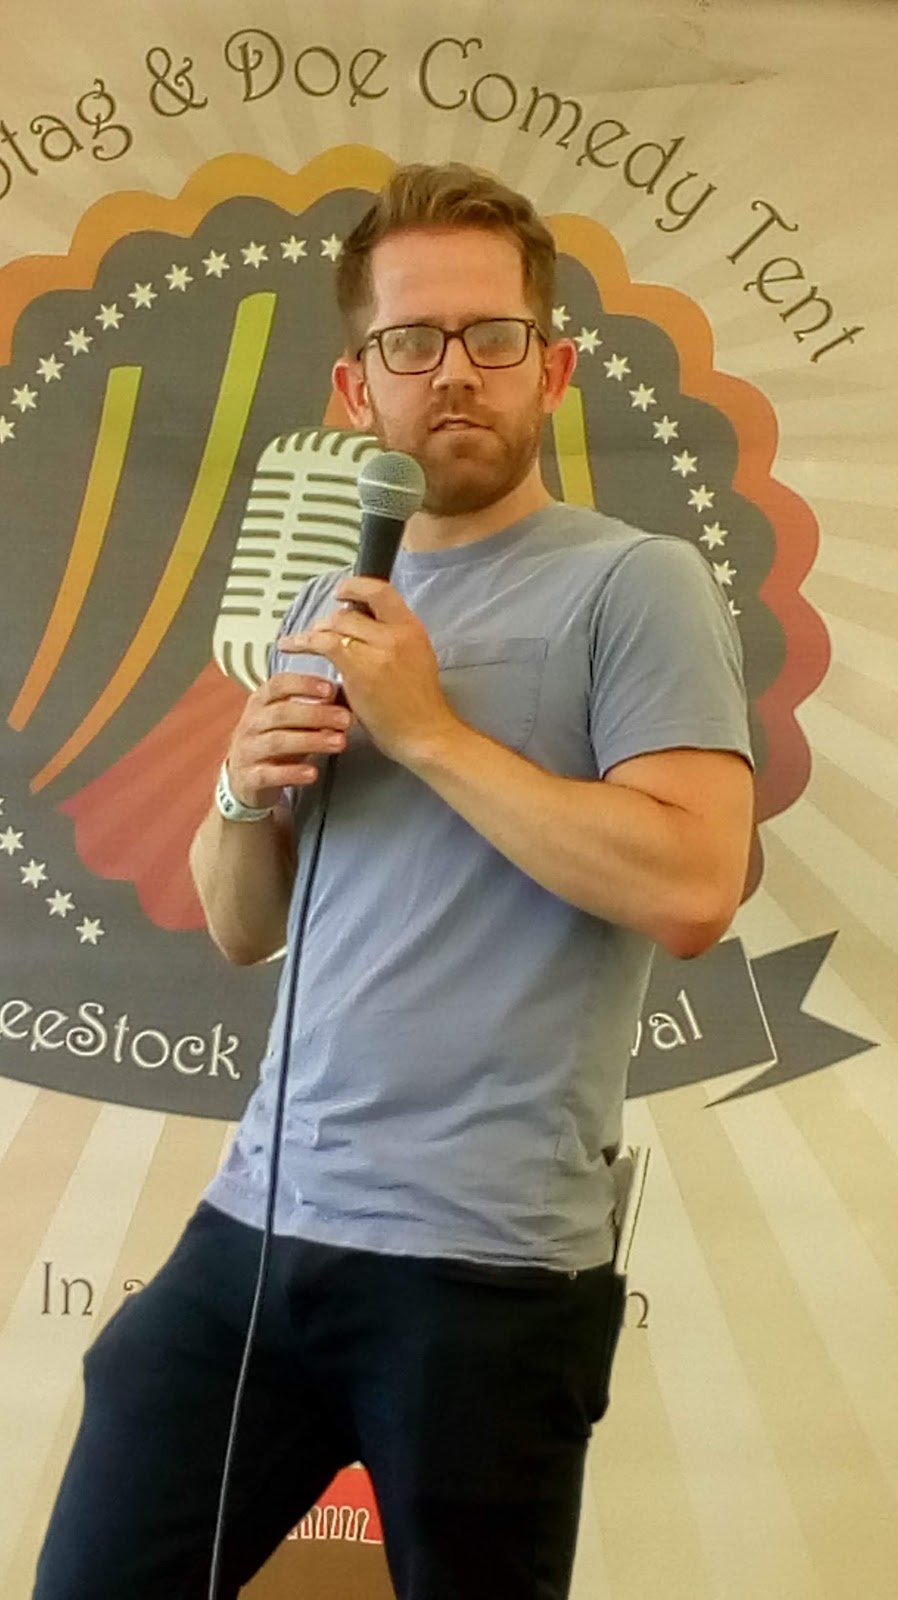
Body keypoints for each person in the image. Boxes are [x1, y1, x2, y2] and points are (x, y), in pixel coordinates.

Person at [33, 162, 754, 1600]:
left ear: (550, 368)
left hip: (487, 1267)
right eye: (411, 342)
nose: (454, 372)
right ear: (356, 390)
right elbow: (243, 929)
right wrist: (242, 788)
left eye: (492, 336)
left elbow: (692, 886)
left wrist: (428, 733)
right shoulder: (329, 603)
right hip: (260, 1227)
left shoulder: (636, 583)